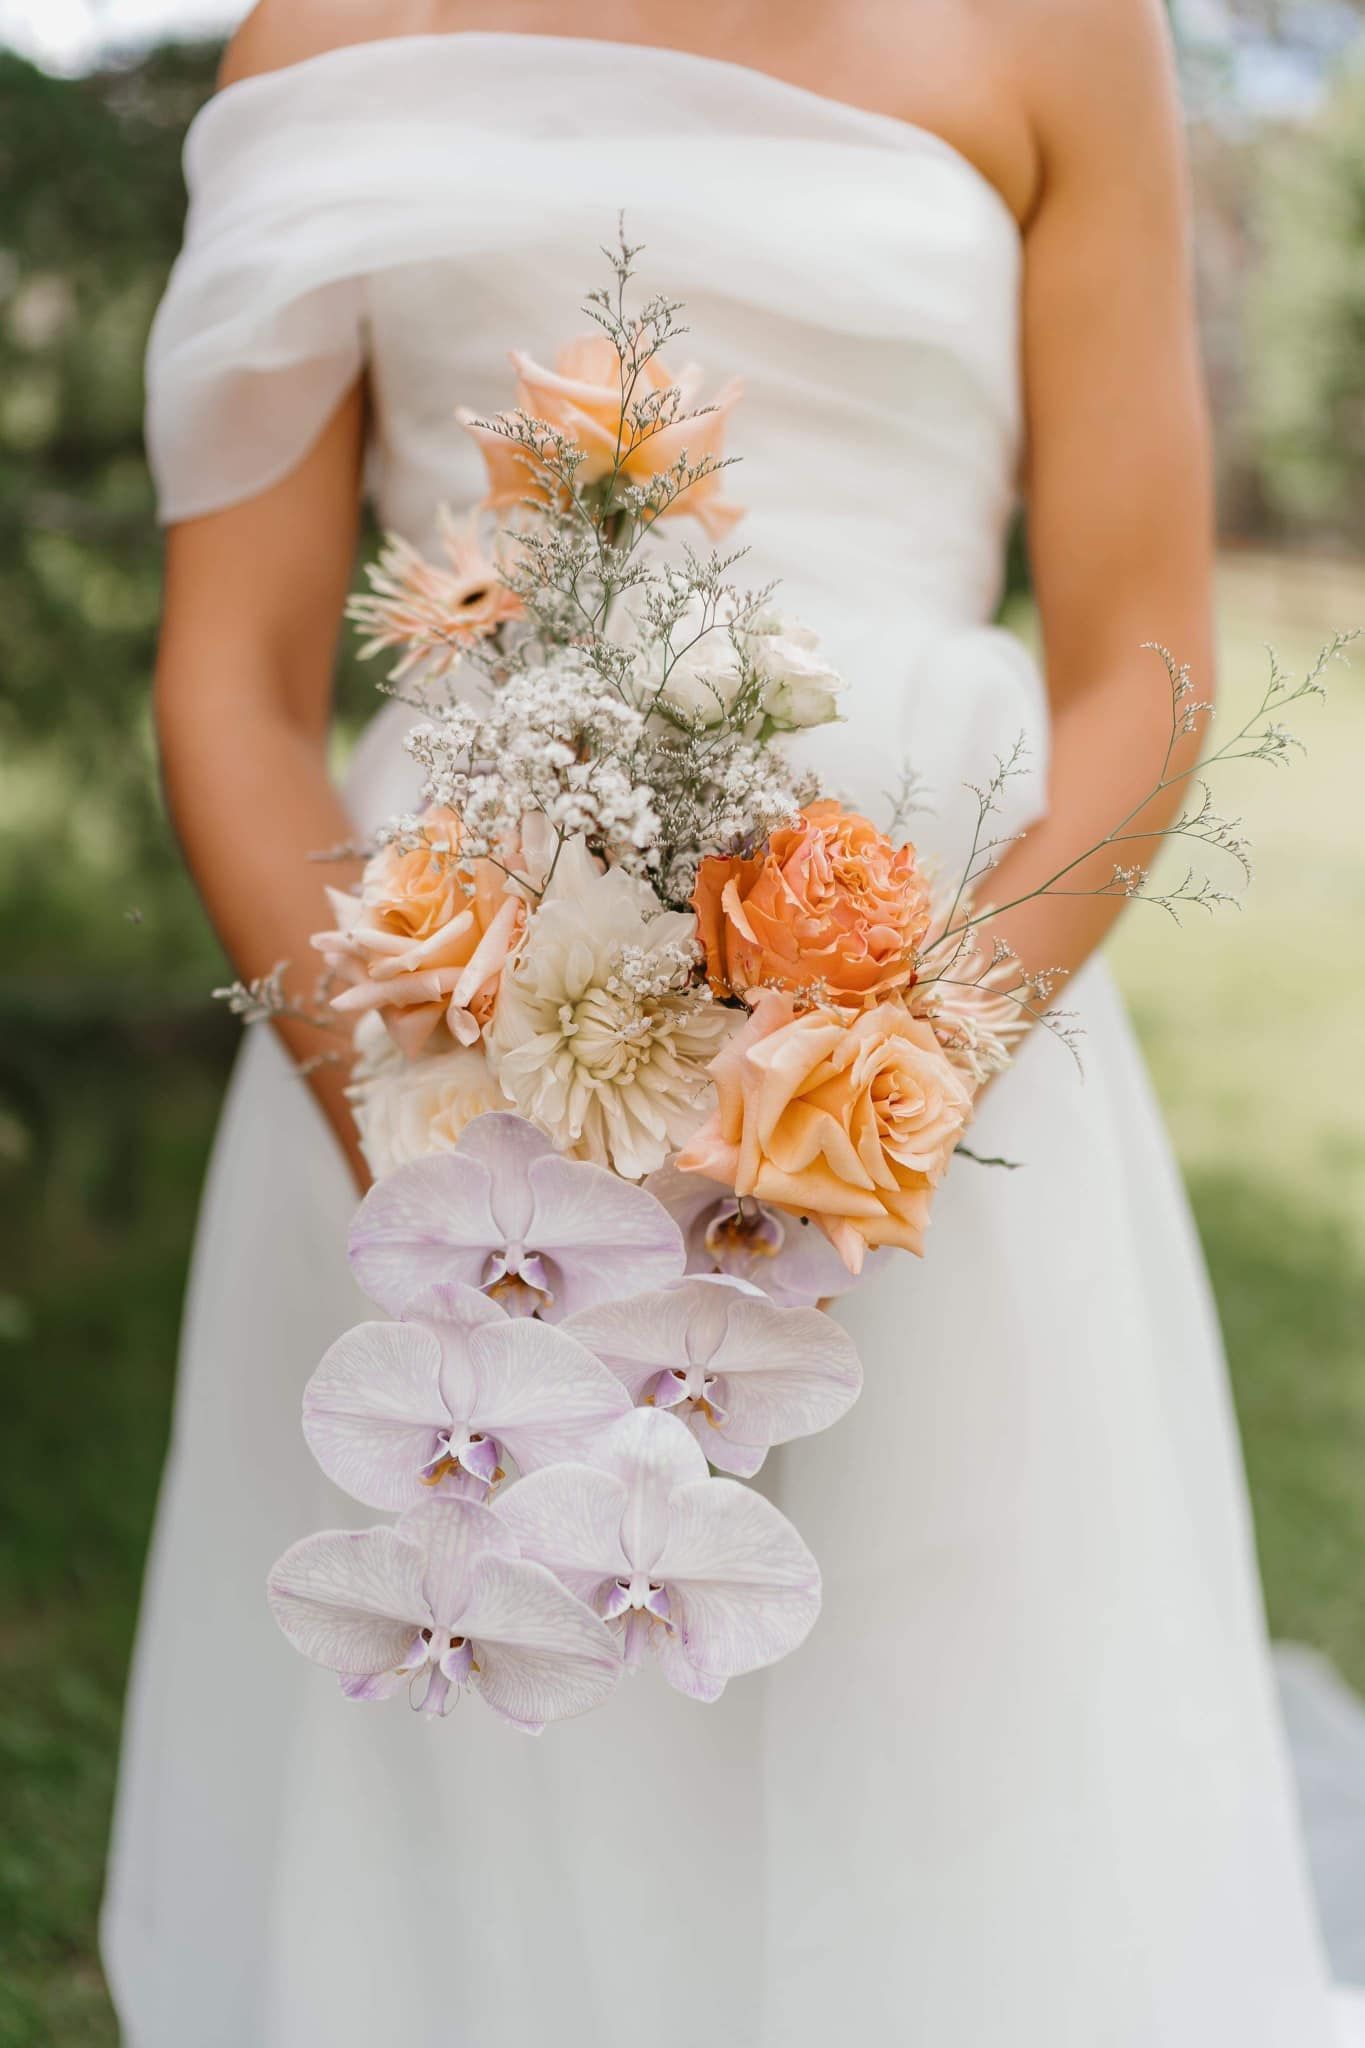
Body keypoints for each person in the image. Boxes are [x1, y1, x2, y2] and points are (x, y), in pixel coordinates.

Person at [102, 3, 1365, 2042]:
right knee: (497, 1741)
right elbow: (237, 680)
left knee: (928, 1736)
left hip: (926, 1023)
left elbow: (1145, 647)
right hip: (441, 1022)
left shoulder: (1056, 29)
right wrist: (420, 1135)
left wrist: (903, 1070)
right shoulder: (315, 35)